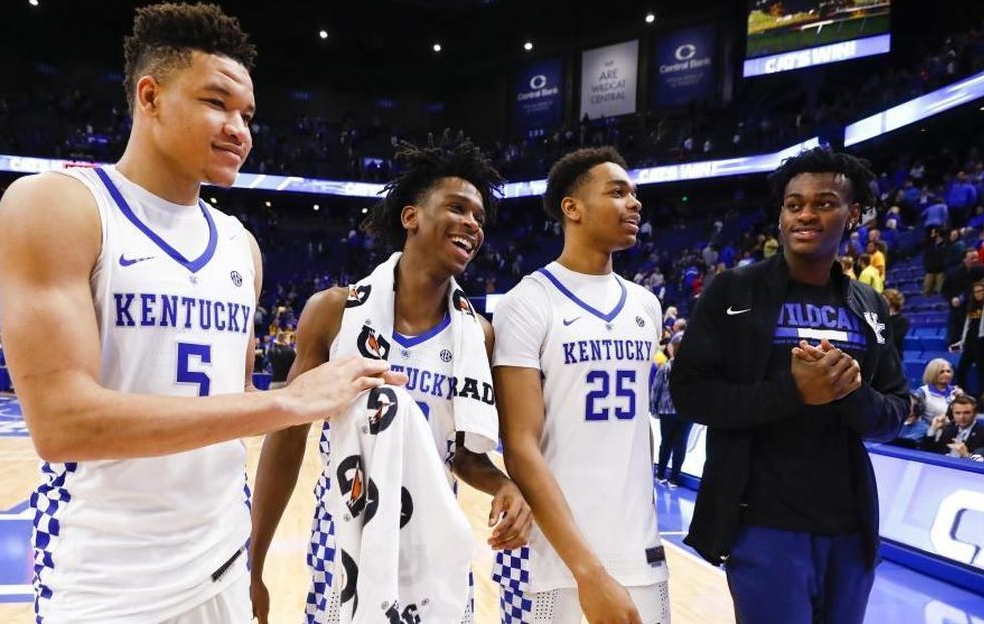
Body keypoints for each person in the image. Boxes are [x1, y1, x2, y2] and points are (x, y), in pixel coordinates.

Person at [0, 3, 401, 624]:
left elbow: (229, 404)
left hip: (221, 555)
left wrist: (331, 397)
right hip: (103, 570)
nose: (240, 128)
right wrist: (286, 401)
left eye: (247, 114)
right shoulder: (58, 206)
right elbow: (63, 423)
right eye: (217, 103)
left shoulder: (242, 245)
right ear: (150, 96)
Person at [248, 134, 531, 624]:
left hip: (434, 538)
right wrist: (255, 562)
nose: (471, 224)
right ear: (411, 217)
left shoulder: (478, 334)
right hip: (342, 530)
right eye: (458, 208)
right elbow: (289, 433)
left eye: (479, 218)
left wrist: (505, 486)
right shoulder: (334, 312)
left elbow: (463, 455)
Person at [670, 147, 908, 624]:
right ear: (780, 215)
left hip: (850, 528)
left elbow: (895, 410)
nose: (805, 214)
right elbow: (690, 392)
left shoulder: (870, 305)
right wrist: (794, 392)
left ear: (852, 213)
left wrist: (849, 393)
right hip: (762, 524)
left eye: (823, 203)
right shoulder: (731, 291)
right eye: (794, 204)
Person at [493, 147, 670, 624]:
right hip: (549, 558)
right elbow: (520, 446)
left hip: (639, 548)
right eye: (617, 192)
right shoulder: (526, 303)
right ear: (571, 208)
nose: (634, 203)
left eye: (635, 194)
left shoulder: (645, 306)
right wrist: (588, 571)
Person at [651, 331, 691, 488]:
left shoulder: (666, 367)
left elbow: (656, 389)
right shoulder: (694, 369)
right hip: (687, 412)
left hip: (667, 411)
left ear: (673, 348)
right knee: (681, 445)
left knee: (666, 442)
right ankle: (674, 479)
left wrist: (654, 409)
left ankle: (660, 474)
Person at [951, 277, 984, 397]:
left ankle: (983, 400)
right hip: (970, 342)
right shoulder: (971, 307)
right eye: (975, 291)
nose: (977, 294)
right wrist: (961, 342)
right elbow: (967, 327)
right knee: (961, 370)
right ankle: (962, 396)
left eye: (980, 291)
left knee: (982, 373)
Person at [918, 394, 984, 456]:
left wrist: (967, 455)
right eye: (957, 413)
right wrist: (933, 429)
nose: (962, 417)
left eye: (967, 413)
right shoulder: (948, 430)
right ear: (952, 414)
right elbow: (929, 452)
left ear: (975, 414)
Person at [942, 248, 984, 345]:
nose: (975, 260)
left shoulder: (982, 271)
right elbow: (945, 290)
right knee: (953, 340)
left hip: (977, 310)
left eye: (976, 257)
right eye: (972, 258)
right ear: (964, 259)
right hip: (959, 312)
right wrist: (951, 299)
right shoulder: (953, 274)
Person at [915, 358, 961, 423]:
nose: (946, 374)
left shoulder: (956, 391)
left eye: (948, 371)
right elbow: (915, 416)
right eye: (941, 372)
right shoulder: (922, 392)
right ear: (932, 373)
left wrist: (961, 397)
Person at [882, 289, 908, 359]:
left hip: (894, 358)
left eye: (883, 299)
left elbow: (894, 339)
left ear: (891, 301)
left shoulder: (902, 320)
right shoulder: (880, 318)